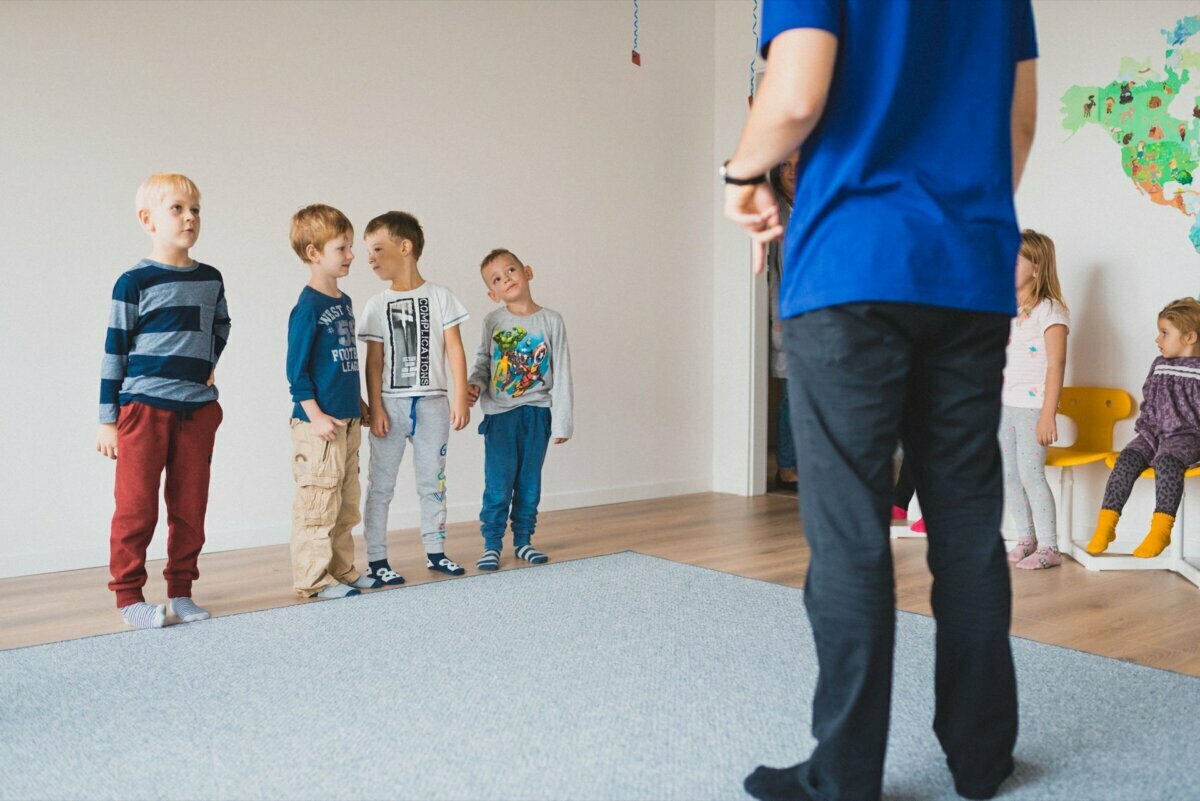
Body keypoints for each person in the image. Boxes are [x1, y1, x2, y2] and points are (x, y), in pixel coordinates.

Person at [722, 1, 1039, 799]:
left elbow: (795, 96)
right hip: (970, 269)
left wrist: (740, 173)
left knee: (850, 529)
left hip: (851, 265)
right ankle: (980, 755)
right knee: (969, 520)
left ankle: (845, 773)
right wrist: (967, 220)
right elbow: (1021, 123)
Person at [96, 172, 230, 629]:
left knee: (190, 507)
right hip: (143, 411)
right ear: (148, 219)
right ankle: (130, 597)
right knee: (136, 507)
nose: (189, 217)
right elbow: (115, 350)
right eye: (177, 208)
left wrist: (207, 363)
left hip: (196, 410)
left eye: (195, 209)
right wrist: (107, 419)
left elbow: (221, 328)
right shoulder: (133, 281)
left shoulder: (210, 279)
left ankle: (181, 591)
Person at [359, 211, 471, 582]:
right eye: (368, 252)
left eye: (377, 248)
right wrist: (375, 407)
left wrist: (459, 397)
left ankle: (436, 551)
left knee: (433, 481)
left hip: (434, 403)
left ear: (405, 247)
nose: (370, 258)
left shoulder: (441, 297)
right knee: (382, 485)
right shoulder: (376, 305)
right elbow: (373, 363)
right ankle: (376, 560)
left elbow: (454, 349)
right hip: (390, 405)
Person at [285, 204, 382, 599]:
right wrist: (316, 415)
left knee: (345, 501)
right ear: (314, 253)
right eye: (342, 248)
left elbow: (342, 362)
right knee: (318, 503)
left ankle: (341, 569)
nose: (351, 255)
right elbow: (297, 372)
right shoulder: (308, 307)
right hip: (318, 426)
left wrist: (357, 401)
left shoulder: (342, 301)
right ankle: (312, 579)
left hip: (347, 419)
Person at [466, 249, 574, 571]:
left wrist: (562, 422)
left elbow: (563, 370)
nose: (506, 279)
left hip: (537, 414)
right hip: (500, 417)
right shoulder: (493, 322)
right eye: (497, 279)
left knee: (529, 483)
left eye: (510, 270)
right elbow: (483, 363)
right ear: (492, 293)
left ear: (527, 271)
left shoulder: (551, 320)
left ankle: (524, 540)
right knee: (498, 484)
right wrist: (475, 385)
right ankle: (492, 544)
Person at [1086, 297, 1200, 558]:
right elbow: (1150, 397)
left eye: (1164, 333)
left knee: (1167, 462)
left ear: (1189, 337)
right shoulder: (1159, 365)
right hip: (1152, 432)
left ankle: (1160, 530)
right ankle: (1106, 525)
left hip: (1187, 436)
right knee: (1125, 461)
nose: (1157, 340)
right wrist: (1148, 429)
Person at [1002, 230, 1069, 569]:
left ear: (1036, 267)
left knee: (1031, 473)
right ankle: (1025, 537)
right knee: (1009, 474)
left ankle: (1050, 547)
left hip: (1032, 409)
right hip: (1004, 406)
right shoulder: (1009, 310)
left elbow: (1056, 364)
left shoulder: (1051, 311)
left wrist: (1047, 414)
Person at [768, 151, 799, 491]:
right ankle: (787, 466)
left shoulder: (816, 201)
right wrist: (778, 317)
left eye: (798, 164)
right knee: (793, 394)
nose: (792, 171)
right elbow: (772, 272)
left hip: (821, 313)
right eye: (785, 165)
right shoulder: (773, 207)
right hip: (787, 315)